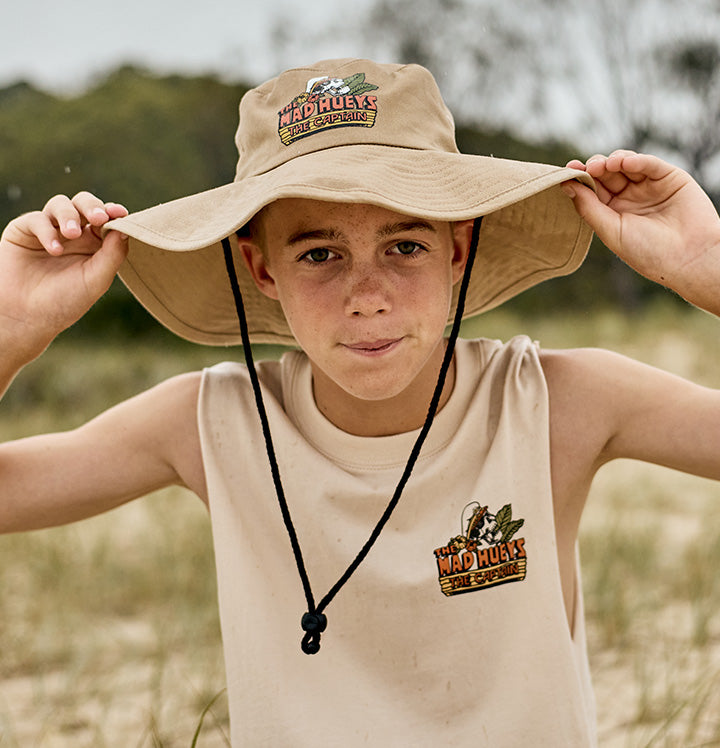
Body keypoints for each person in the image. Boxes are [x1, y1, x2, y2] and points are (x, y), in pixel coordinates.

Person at [1, 58, 719, 747]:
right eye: (320, 254)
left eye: (405, 246)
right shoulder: (214, 424)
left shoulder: (554, 404)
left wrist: (707, 268)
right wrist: (10, 330)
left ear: (458, 248)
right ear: (262, 268)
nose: (367, 297)